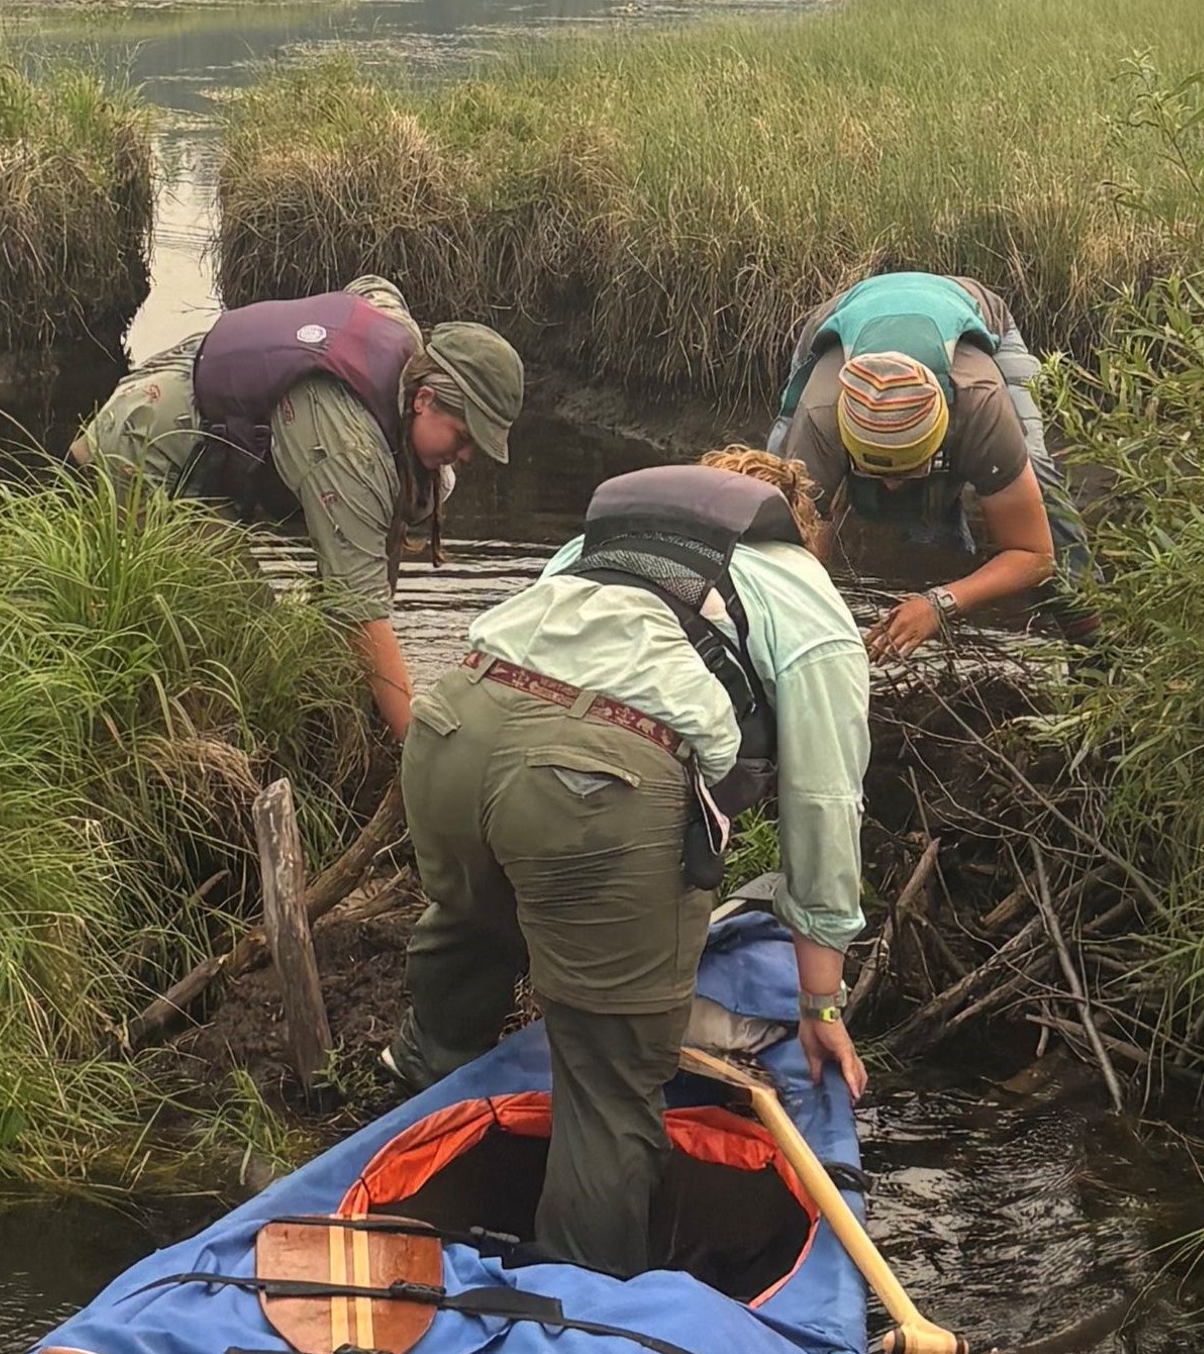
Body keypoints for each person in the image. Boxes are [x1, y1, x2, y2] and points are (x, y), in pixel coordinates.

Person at [392, 449, 870, 1280]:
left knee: (473, 931)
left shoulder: (597, 547)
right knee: (611, 1085)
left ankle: (408, 1162)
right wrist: (820, 1002)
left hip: (448, 735)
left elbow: (530, 671)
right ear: (801, 532)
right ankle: (579, 1314)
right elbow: (825, 805)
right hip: (594, 788)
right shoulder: (800, 590)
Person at [70, 277, 525, 734]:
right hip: (144, 453)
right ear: (423, 399)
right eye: (463, 437)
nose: (465, 457)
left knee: (274, 638)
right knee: (245, 641)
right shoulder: (350, 450)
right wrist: (418, 747)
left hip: (208, 452)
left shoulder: (405, 343)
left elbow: (373, 287)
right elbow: (360, 611)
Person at [767, 269, 1090, 658]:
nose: (890, 488)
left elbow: (1035, 555)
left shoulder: (980, 403)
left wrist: (940, 603)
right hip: (842, 319)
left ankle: (1092, 638)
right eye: (874, 473)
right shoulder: (822, 415)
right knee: (775, 500)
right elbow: (798, 556)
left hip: (975, 318)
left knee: (1037, 476)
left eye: (906, 473)